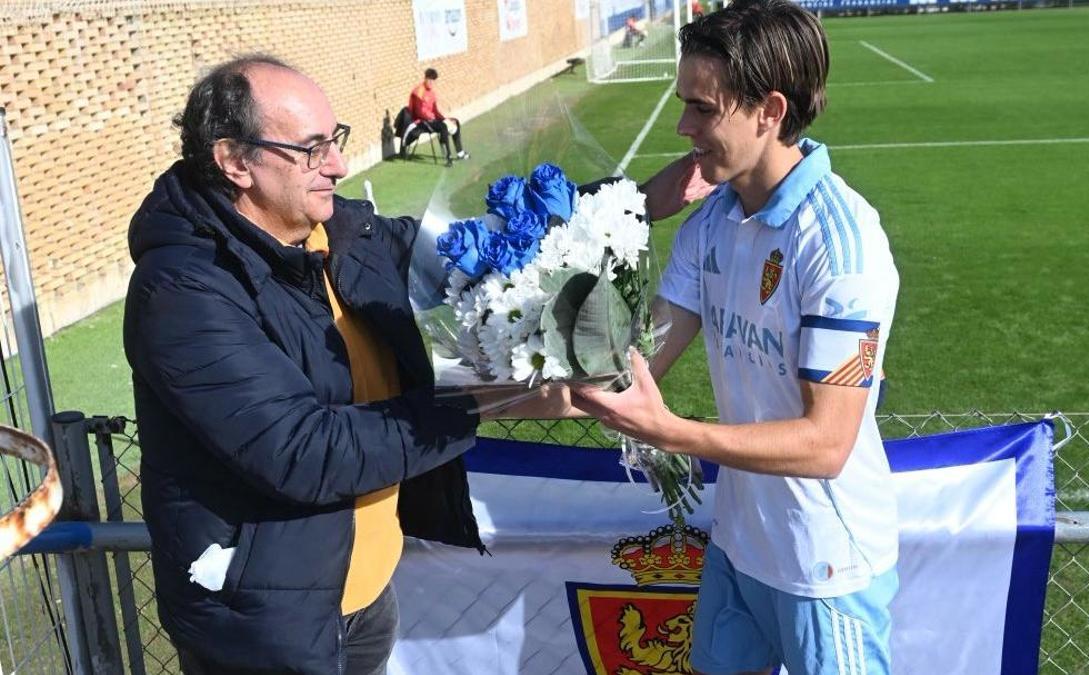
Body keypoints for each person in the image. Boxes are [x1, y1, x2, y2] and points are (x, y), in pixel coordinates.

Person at [125, 54, 709, 674]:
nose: (340, 165)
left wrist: (629, 205)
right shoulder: (183, 293)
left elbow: (479, 245)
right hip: (264, 632)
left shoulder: (340, 232)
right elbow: (304, 452)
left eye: (336, 140)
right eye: (312, 148)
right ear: (234, 161)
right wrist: (486, 398)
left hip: (365, 598)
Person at [570, 2, 901, 674]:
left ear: (769, 111)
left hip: (822, 566)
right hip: (740, 544)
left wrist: (673, 431)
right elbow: (630, 367)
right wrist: (475, 395)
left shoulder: (839, 243)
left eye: (702, 107)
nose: (682, 125)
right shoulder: (710, 225)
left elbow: (826, 442)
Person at [408, 68, 468, 167]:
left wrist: (445, 119)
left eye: (433, 81)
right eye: (429, 80)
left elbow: (435, 110)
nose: (431, 83)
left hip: (431, 120)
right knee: (443, 127)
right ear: (425, 78)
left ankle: (460, 153)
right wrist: (432, 117)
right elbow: (418, 112)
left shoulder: (432, 92)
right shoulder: (418, 91)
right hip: (420, 121)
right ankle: (448, 157)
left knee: (455, 122)